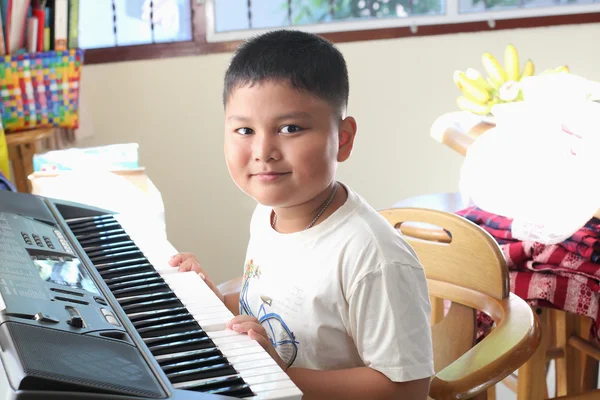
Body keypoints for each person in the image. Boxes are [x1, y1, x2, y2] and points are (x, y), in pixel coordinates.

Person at [169, 29, 434, 399]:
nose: (264, 150)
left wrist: (278, 375)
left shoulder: (373, 256)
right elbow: (274, 303)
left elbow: (407, 389)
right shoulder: (268, 214)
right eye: (244, 130)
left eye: (290, 128)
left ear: (342, 138)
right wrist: (208, 297)